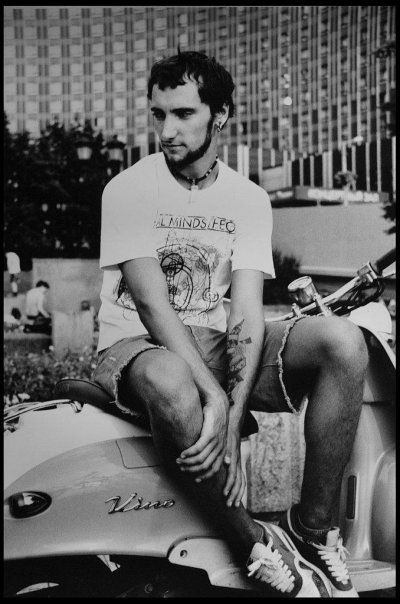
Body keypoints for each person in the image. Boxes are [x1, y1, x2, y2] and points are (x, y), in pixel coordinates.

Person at [92, 51, 368, 598]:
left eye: (183, 114)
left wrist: (232, 411)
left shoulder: (248, 198)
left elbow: (244, 312)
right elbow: (152, 306)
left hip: (214, 343)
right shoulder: (126, 189)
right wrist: (214, 399)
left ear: (220, 115)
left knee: (343, 341)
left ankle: (313, 530)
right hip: (136, 347)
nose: (167, 131)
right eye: (158, 114)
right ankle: (253, 545)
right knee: (171, 377)